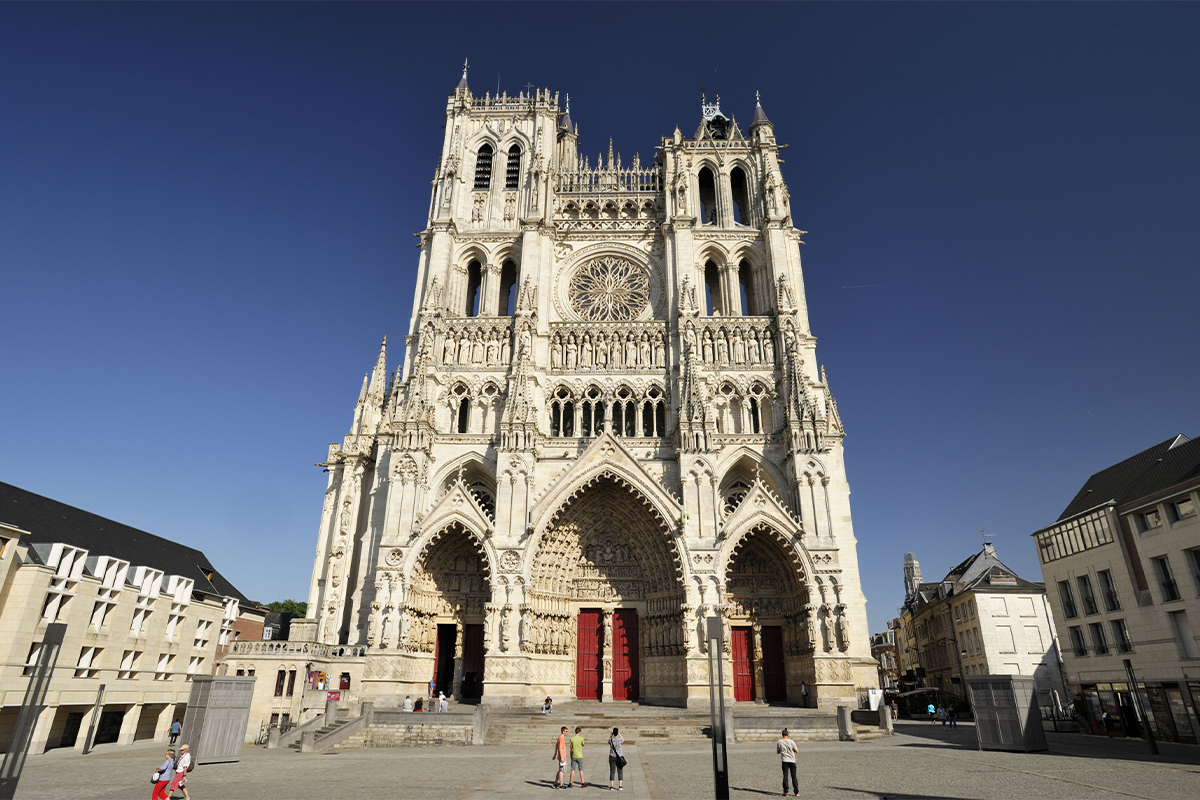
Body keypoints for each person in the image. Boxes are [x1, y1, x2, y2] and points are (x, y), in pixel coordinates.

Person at [776, 728, 799, 797]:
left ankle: (786, 792)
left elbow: (777, 752)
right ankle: (796, 792)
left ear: (782, 735)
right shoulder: (792, 741)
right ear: (788, 734)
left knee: (785, 776)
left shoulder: (779, 742)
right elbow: (797, 751)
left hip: (784, 760)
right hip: (792, 760)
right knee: (794, 776)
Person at [608, 727, 625, 791]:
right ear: (617, 733)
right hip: (619, 757)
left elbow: (608, 741)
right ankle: (620, 786)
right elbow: (623, 740)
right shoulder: (619, 739)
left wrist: (611, 734)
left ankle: (612, 786)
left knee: (612, 771)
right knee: (620, 771)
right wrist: (619, 734)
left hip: (612, 756)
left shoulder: (611, 739)